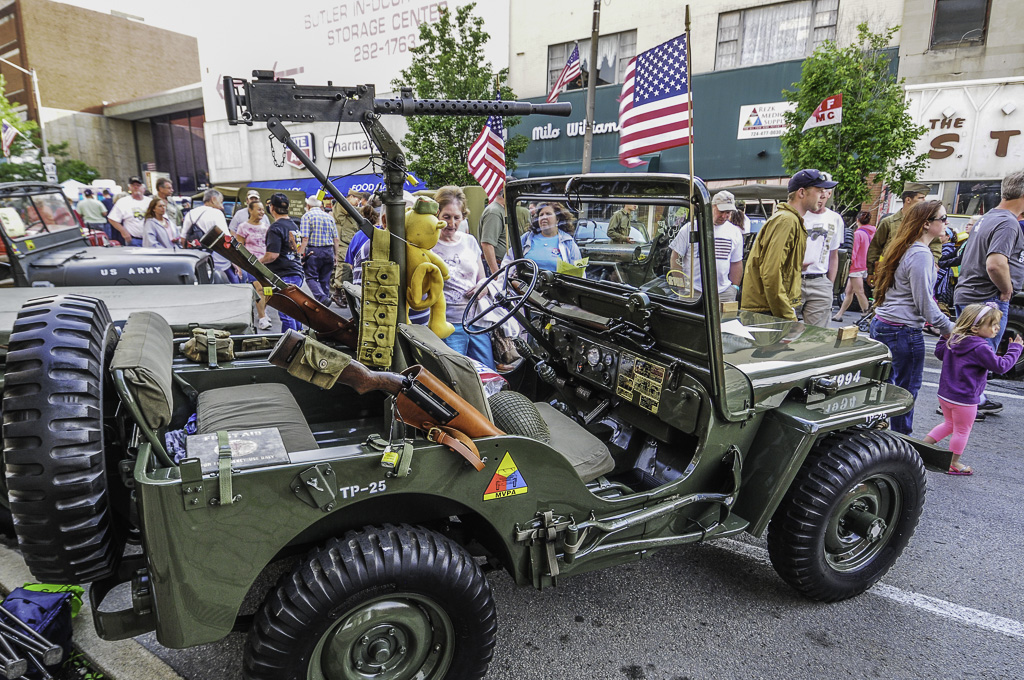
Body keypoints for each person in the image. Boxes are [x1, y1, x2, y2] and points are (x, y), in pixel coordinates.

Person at [869, 200, 955, 435]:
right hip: (902, 330)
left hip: (884, 324)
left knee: (883, 387)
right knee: (906, 392)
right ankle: (900, 442)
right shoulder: (920, 254)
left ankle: (878, 435)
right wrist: (949, 328)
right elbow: (924, 302)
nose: (946, 223)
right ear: (927, 224)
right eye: (943, 218)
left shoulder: (906, 247)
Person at [951, 169, 1024, 416]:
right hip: (987, 296)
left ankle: (974, 398)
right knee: (981, 356)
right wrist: (1006, 290)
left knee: (966, 352)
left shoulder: (988, 216)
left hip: (970, 292)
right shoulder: (1008, 222)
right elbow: (995, 263)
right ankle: (967, 403)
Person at [924, 303, 1023, 475]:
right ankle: (953, 463)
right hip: (965, 399)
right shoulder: (980, 347)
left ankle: (923, 447)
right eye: (993, 325)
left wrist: (944, 336)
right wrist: (1015, 349)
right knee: (962, 430)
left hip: (945, 395)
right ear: (976, 327)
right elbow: (1001, 366)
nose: (997, 328)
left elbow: (940, 353)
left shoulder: (955, 339)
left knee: (949, 424)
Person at [741, 169, 837, 320]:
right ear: (801, 192)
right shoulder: (787, 220)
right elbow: (771, 273)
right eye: (819, 190)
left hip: (768, 309)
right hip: (766, 311)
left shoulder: (792, 219)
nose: (823, 195)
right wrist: (788, 316)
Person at [432, 194, 495, 368]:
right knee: (458, 377)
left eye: (456, 217)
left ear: (463, 217)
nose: (451, 223)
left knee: (488, 371)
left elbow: (481, 277)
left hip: (476, 320)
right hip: (448, 324)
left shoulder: (470, 241)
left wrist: (484, 286)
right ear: (437, 215)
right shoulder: (430, 244)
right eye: (446, 217)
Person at [669, 191, 743, 302]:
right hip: (693, 290)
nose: (724, 216)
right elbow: (676, 256)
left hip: (724, 292)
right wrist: (681, 285)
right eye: (721, 211)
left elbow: (736, 262)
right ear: (712, 207)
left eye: (728, 212)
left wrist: (734, 287)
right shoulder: (691, 228)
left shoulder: (734, 232)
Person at [796, 186, 844, 327]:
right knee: (783, 329)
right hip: (795, 277)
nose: (821, 196)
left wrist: (829, 284)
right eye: (819, 191)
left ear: (829, 194)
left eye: (825, 192)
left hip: (819, 280)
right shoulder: (798, 215)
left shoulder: (835, 219)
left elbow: (834, 255)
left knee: (816, 335)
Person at [866, 182, 933, 283]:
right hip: (889, 272)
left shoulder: (925, 223)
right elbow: (876, 247)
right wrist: (871, 271)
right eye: (920, 198)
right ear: (908, 200)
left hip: (915, 273)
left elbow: (935, 244)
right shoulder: (888, 222)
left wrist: (935, 262)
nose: (924, 201)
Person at [261, 193, 305, 332]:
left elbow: (272, 255)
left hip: (284, 274)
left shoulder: (276, 228)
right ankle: (299, 338)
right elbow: (298, 250)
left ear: (271, 207)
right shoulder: (294, 225)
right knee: (294, 311)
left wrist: (257, 262)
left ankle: (289, 344)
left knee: (286, 313)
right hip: (296, 272)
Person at [180, 189, 238, 282]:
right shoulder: (217, 213)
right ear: (213, 199)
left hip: (197, 262)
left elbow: (183, 240)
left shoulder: (190, 214)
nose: (222, 206)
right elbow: (226, 239)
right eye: (221, 202)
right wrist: (234, 261)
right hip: (219, 262)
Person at [235, 201, 272, 330]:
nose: (262, 212)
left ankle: (262, 311)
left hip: (266, 263)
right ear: (250, 210)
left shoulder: (266, 227)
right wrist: (239, 265)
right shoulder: (243, 227)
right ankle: (262, 318)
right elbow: (239, 247)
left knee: (269, 290)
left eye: (263, 210)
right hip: (252, 263)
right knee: (260, 289)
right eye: (259, 209)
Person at [833, 211, 875, 321]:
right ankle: (839, 315)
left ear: (857, 220)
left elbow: (853, 252)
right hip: (864, 265)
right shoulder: (871, 233)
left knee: (859, 291)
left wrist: (847, 263)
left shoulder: (858, 234)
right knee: (849, 291)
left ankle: (866, 315)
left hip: (856, 267)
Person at [518, 201, 581, 272]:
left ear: (557, 219)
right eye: (541, 215)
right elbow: (509, 261)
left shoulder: (568, 241)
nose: (544, 217)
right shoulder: (527, 238)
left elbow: (578, 271)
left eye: (548, 214)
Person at [299, 196, 338, 305]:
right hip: (329, 250)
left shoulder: (307, 216)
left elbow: (305, 238)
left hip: (314, 251)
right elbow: (336, 238)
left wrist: (301, 254)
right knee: (325, 279)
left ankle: (322, 299)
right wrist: (336, 255)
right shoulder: (329, 217)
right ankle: (324, 305)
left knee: (311, 277)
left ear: (308, 205)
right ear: (321, 205)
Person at [330, 189, 364, 305]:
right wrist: (364, 208)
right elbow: (352, 211)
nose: (358, 202)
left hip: (349, 241)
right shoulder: (342, 204)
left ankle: (344, 293)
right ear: (351, 196)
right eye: (357, 199)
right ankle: (337, 292)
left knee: (349, 269)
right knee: (343, 267)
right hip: (343, 241)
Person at [107, 176, 150, 246]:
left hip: (150, 239)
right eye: (133, 185)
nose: (136, 187)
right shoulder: (123, 202)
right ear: (129, 188)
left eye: (138, 185)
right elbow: (112, 219)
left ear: (143, 188)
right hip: (134, 240)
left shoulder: (150, 201)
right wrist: (124, 232)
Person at [479, 190, 508, 275]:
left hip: (502, 263)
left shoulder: (500, 209)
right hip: (496, 264)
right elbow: (487, 244)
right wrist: (496, 273)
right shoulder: (494, 212)